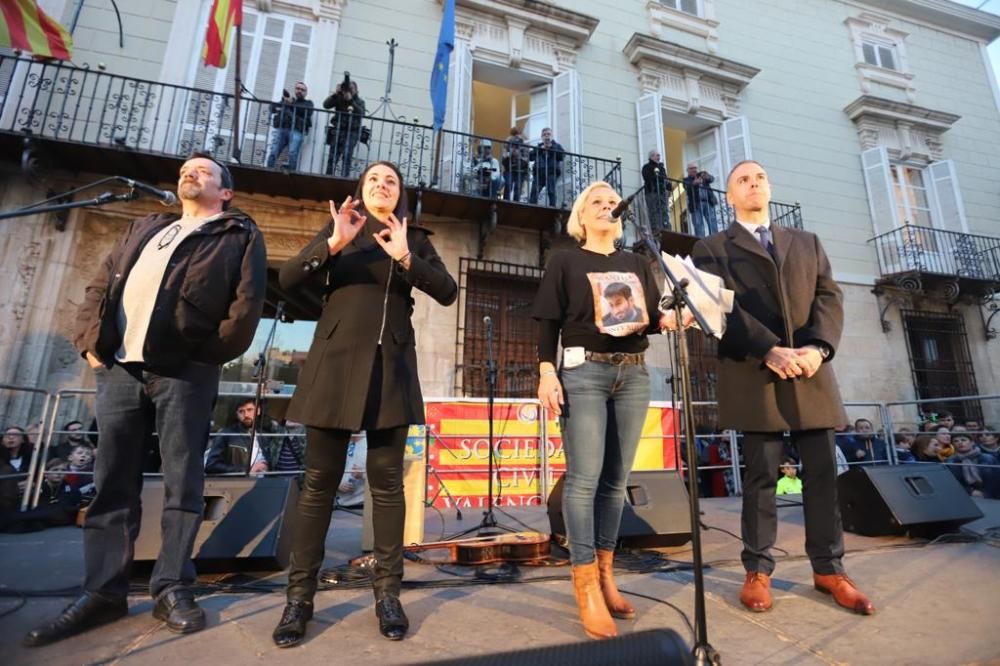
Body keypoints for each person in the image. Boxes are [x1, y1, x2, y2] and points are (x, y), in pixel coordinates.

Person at [24, 153, 267, 647]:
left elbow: (245, 308)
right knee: (111, 484)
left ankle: (172, 586)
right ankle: (103, 592)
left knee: (183, 483)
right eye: (186, 169)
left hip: (184, 373)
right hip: (118, 371)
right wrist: (90, 341)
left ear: (225, 193)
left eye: (203, 171)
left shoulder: (237, 234)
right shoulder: (148, 227)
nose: (189, 173)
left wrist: (203, 355)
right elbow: (100, 284)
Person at [271, 161, 457, 647]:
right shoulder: (342, 231)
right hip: (334, 367)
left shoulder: (412, 238)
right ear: (361, 189)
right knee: (318, 486)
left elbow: (448, 291)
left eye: (391, 181)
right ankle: (299, 600)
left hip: (390, 369)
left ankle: (387, 595)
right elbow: (289, 277)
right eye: (373, 179)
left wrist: (406, 259)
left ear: (400, 195)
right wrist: (332, 244)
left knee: (388, 485)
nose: (381, 185)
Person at [690, 160, 875, 616]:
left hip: (810, 372)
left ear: (769, 187)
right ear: (729, 196)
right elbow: (714, 310)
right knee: (760, 479)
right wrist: (768, 349)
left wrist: (819, 350)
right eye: (742, 181)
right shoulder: (711, 248)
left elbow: (829, 297)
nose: (753, 184)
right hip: (756, 373)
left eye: (759, 178)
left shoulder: (807, 242)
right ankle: (758, 570)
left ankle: (829, 568)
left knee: (823, 477)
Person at [532, 180, 671, 640]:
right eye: (598, 201)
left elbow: (651, 315)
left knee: (616, 481)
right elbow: (548, 321)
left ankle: (609, 574)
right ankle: (585, 581)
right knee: (584, 477)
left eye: (613, 202)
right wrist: (547, 372)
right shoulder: (566, 260)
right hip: (583, 373)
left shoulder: (635, 262)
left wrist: (676, 316)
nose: (608, 207)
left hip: (633, 373)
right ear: (581, 214)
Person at [205, 398, 305, 474]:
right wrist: (247, 470)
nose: (246, 415)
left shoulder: (267, 433)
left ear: (258, 411)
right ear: (236, 414)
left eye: (249, 410)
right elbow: (211, 465)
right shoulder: (227, 434)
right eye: (241, 411)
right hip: (238, 486)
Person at [266, 82, 314, 171]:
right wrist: (283, 101)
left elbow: (305, 111)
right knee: (273, 152)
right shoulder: (288, 100)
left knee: (292, 153)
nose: (299, 91)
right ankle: (268, 171)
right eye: (298, 88)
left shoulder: (308, 103)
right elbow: (272, 109)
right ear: (295, 90)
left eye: (302, 90)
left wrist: (289, 104)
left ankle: (292, 173)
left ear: (306, 93)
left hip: (297, 130)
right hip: (282, 128)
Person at [324, 79, 367, 177]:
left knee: (347, 156)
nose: (349, 90)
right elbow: (326, 105)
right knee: (332, 156)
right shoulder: (339, 98)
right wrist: (335, 94)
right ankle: (328, 178)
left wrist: (351, 100)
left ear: (356, 90)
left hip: (352, 132)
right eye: (348, 88)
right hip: (339, 130)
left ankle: (344, 179)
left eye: (351, 89)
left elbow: (361, 113)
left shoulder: (360, 101)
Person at [946, 426, 998, 498]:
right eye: (956, 441)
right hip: (967, 498)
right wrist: (970, 492)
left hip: (992, 496)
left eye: (963, 440)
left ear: (972, 442)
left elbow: (997, 478)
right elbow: (951, 483)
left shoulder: (988, 458)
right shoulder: (951, 461)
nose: (960, 443)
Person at [528, 127, 565, 207]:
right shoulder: (539, 147)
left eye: (548, 134)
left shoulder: (556, 146)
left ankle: (552, 207)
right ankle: (531, 207)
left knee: (551, 190)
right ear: (542, 137)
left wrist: (551, 148)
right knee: (534, 191)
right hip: (539, 171)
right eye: (544, 135)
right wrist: (541, 149)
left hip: (551, 171)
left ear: (552, 136)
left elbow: (562, 156)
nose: (546, 136)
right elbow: (530, 157)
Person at [683, 163, 719, 237]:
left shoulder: (702, 175)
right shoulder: (686, 180)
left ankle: (715, 240)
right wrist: (694, 183)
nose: (694, 170)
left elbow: (712, 179)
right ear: (688, 170)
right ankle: (701, 243)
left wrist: (708, 177)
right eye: (692, 168)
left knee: (712, 222)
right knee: (699, 225)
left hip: (708, 202)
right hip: (696, 204)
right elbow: (687, 187)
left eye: (695, 168)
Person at [642, 149, 671, 233]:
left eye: (659, 155)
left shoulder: (661, 168)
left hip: (661, 193)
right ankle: (656, 230)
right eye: (657, 155)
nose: (659, 157)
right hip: (652, 192)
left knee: (664, 211)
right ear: (651, 157)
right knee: (654, 211)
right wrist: (658, 177)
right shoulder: (646, 167)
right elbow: (647, 178)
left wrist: (669, 188)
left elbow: (665, 179)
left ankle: (666, 229)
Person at [502, 127, 530, 202]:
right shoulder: (507, 144)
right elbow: (503, 159)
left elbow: (526, 159)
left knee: (517, 188)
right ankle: (505, 202)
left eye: (518, 134)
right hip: (509, 169)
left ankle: (516, 204)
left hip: (520, 170)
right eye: (515, 135)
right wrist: (510, 153)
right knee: (508, 185)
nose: (516, 137)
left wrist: (518, 156)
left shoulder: (524, 145)